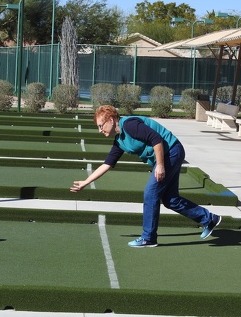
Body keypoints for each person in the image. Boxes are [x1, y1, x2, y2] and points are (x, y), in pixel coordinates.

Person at [70, 105, 221, 247]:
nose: (99, 130)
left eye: (100, 125)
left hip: (171, 152)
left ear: (111, 119)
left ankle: (148, 238)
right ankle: (209, 219)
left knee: (151, 192)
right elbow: (107, 164)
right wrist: (85, 182)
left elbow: (156, 139)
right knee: (170, 199)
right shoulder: (119, 141)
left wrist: (160, 165)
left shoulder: (129, 125)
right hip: (169, 155)